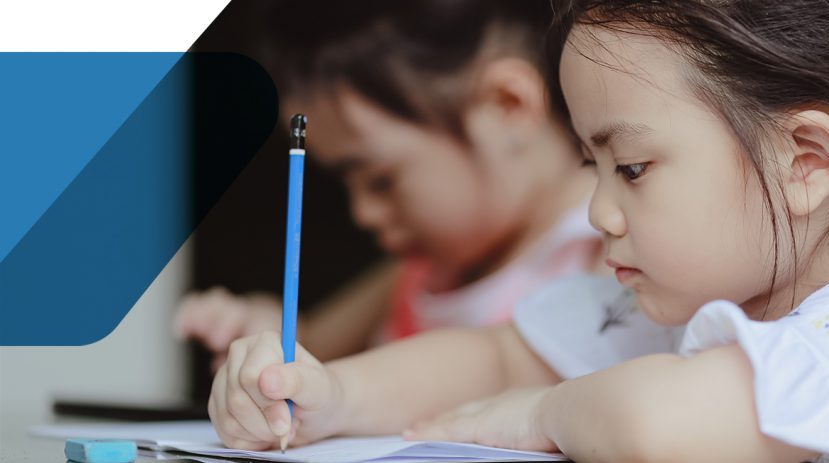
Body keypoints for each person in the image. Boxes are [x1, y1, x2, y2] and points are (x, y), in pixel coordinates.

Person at [207, 1, 829, 463]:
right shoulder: (689, 301)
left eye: (630, 167)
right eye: (590, 166)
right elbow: (496, 354)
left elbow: (655, 427)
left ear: (804, 159)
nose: (597, 211)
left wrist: (545, 412)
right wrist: (331, 395)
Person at [174, 0, 602, 367]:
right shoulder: (418, 273)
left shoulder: (605, 252)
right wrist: (266, 337)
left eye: (380, 181)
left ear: (506, 105)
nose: (363, 213)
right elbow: (312, 356)